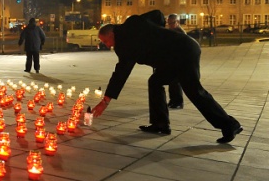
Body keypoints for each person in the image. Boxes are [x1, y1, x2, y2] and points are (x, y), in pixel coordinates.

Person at [91, 10, 242, 143]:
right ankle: (160, 124)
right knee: (155, 82)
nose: (107, 45)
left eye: (105, 41)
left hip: (183, 51)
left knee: (194, 91)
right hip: (176, 53)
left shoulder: (124, 44)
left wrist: (106, 101)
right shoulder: (134, 21)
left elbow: (121, 73)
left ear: (111, 33)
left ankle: (229, 125)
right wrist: (158, 33)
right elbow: (157, 14)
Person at [166, 13, 185, 109]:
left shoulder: (181, 33)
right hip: (171, 60)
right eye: (168, 23)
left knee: (176, 83)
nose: (169, 25)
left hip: (179, 61)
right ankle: (172, 100)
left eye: (171, 23)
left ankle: (178, 102)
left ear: (177, 22)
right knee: (171, 82)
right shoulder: (170, 32)